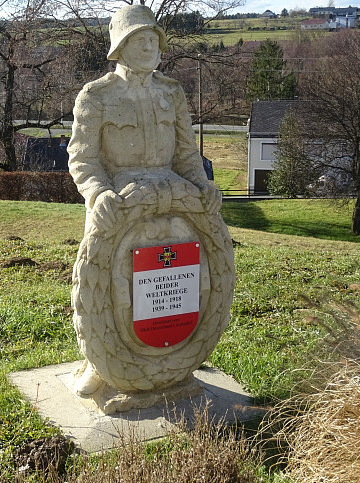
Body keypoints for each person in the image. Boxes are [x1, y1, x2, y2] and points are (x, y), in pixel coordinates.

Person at [68, 5, 227, 396]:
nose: (149, 47)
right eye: (140, 40)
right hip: (117, 201)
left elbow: (186, 154)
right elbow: (83, 157)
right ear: (120, 46)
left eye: (153, 40)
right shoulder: (97, 95)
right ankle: (99, 361)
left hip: (174, 203)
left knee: (174, 281)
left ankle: (174, 358)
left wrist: (203, 185)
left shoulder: (171, 93)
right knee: (108, 283)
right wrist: (97, 192)